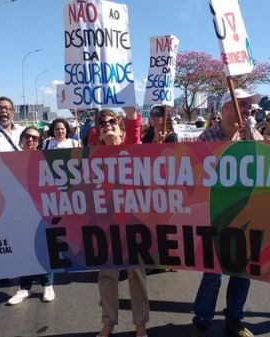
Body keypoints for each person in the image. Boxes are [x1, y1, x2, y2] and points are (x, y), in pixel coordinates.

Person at [191, 88, 262, 337]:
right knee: (214, 272)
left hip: (247, 213)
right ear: (225, 109)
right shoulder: (208, 137)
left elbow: (269, 167)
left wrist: (250, 141)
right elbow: (195, 173)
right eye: (240, 105)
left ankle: (234, 318)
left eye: (247, 106)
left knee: (243, 271)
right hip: (216, 214)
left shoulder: (253, 136)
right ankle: (202, 318)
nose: (246, 111)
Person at [95, 107, 148, 337]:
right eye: (103, 123)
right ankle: (108, 322)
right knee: (107, 274)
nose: (108, 125)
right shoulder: (94, 156)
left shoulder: (132, 149)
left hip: (134, 221)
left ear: (121, 128)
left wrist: (129, 112)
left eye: (112, 122)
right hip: (106, 224)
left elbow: (135, 127)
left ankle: (140, 325)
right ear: (98, 133)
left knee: (137, 273)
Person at [6, 126, 55, 305]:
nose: (31, 140)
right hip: (19, 211)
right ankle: (24, 288)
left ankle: (48, 285)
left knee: (43, 248)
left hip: (41, 210)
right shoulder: (9, 159)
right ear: (21, 139)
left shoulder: (45, 159)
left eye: (35, 138)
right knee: (24, 250)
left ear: (39, 141)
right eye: (27, 136)